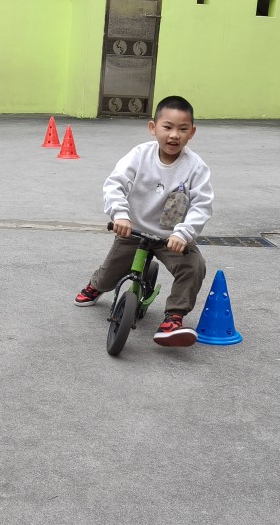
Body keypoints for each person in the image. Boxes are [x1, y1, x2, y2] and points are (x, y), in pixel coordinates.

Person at [75, 95, 213, 347]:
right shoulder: (140, 155)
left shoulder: (196, 167)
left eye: (183, 129)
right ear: (153, 127)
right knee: (108, 275)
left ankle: (173, 319)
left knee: (194, 266)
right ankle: (96, 285)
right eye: (167, 127)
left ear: (192, 132)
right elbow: (115, 184)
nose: (174, 135)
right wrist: (120, 215)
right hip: (133, 231)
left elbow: (201, 206)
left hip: (171, 238)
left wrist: (183, 234)